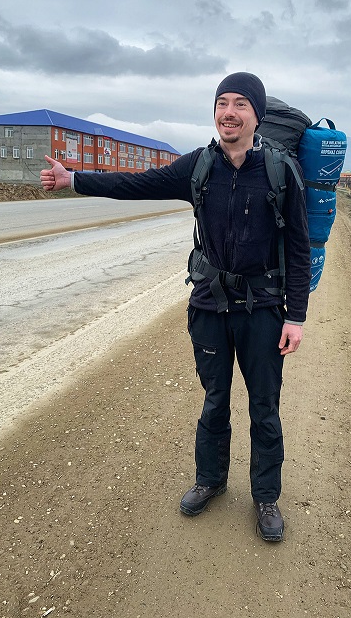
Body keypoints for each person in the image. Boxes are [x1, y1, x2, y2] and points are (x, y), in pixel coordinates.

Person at [40, 72, 311, 542]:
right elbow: (137, 182)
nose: (229, 111)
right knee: (214, 402)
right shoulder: (199, 167)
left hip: (263, 309)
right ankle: (210, 480)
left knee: (265, 407)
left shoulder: (279, 171)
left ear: (257, 115)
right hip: (208, 306)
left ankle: (266, 496)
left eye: (240, 104)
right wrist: (75, 179)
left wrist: (296, 316)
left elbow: (299, 249)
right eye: (222, 102)